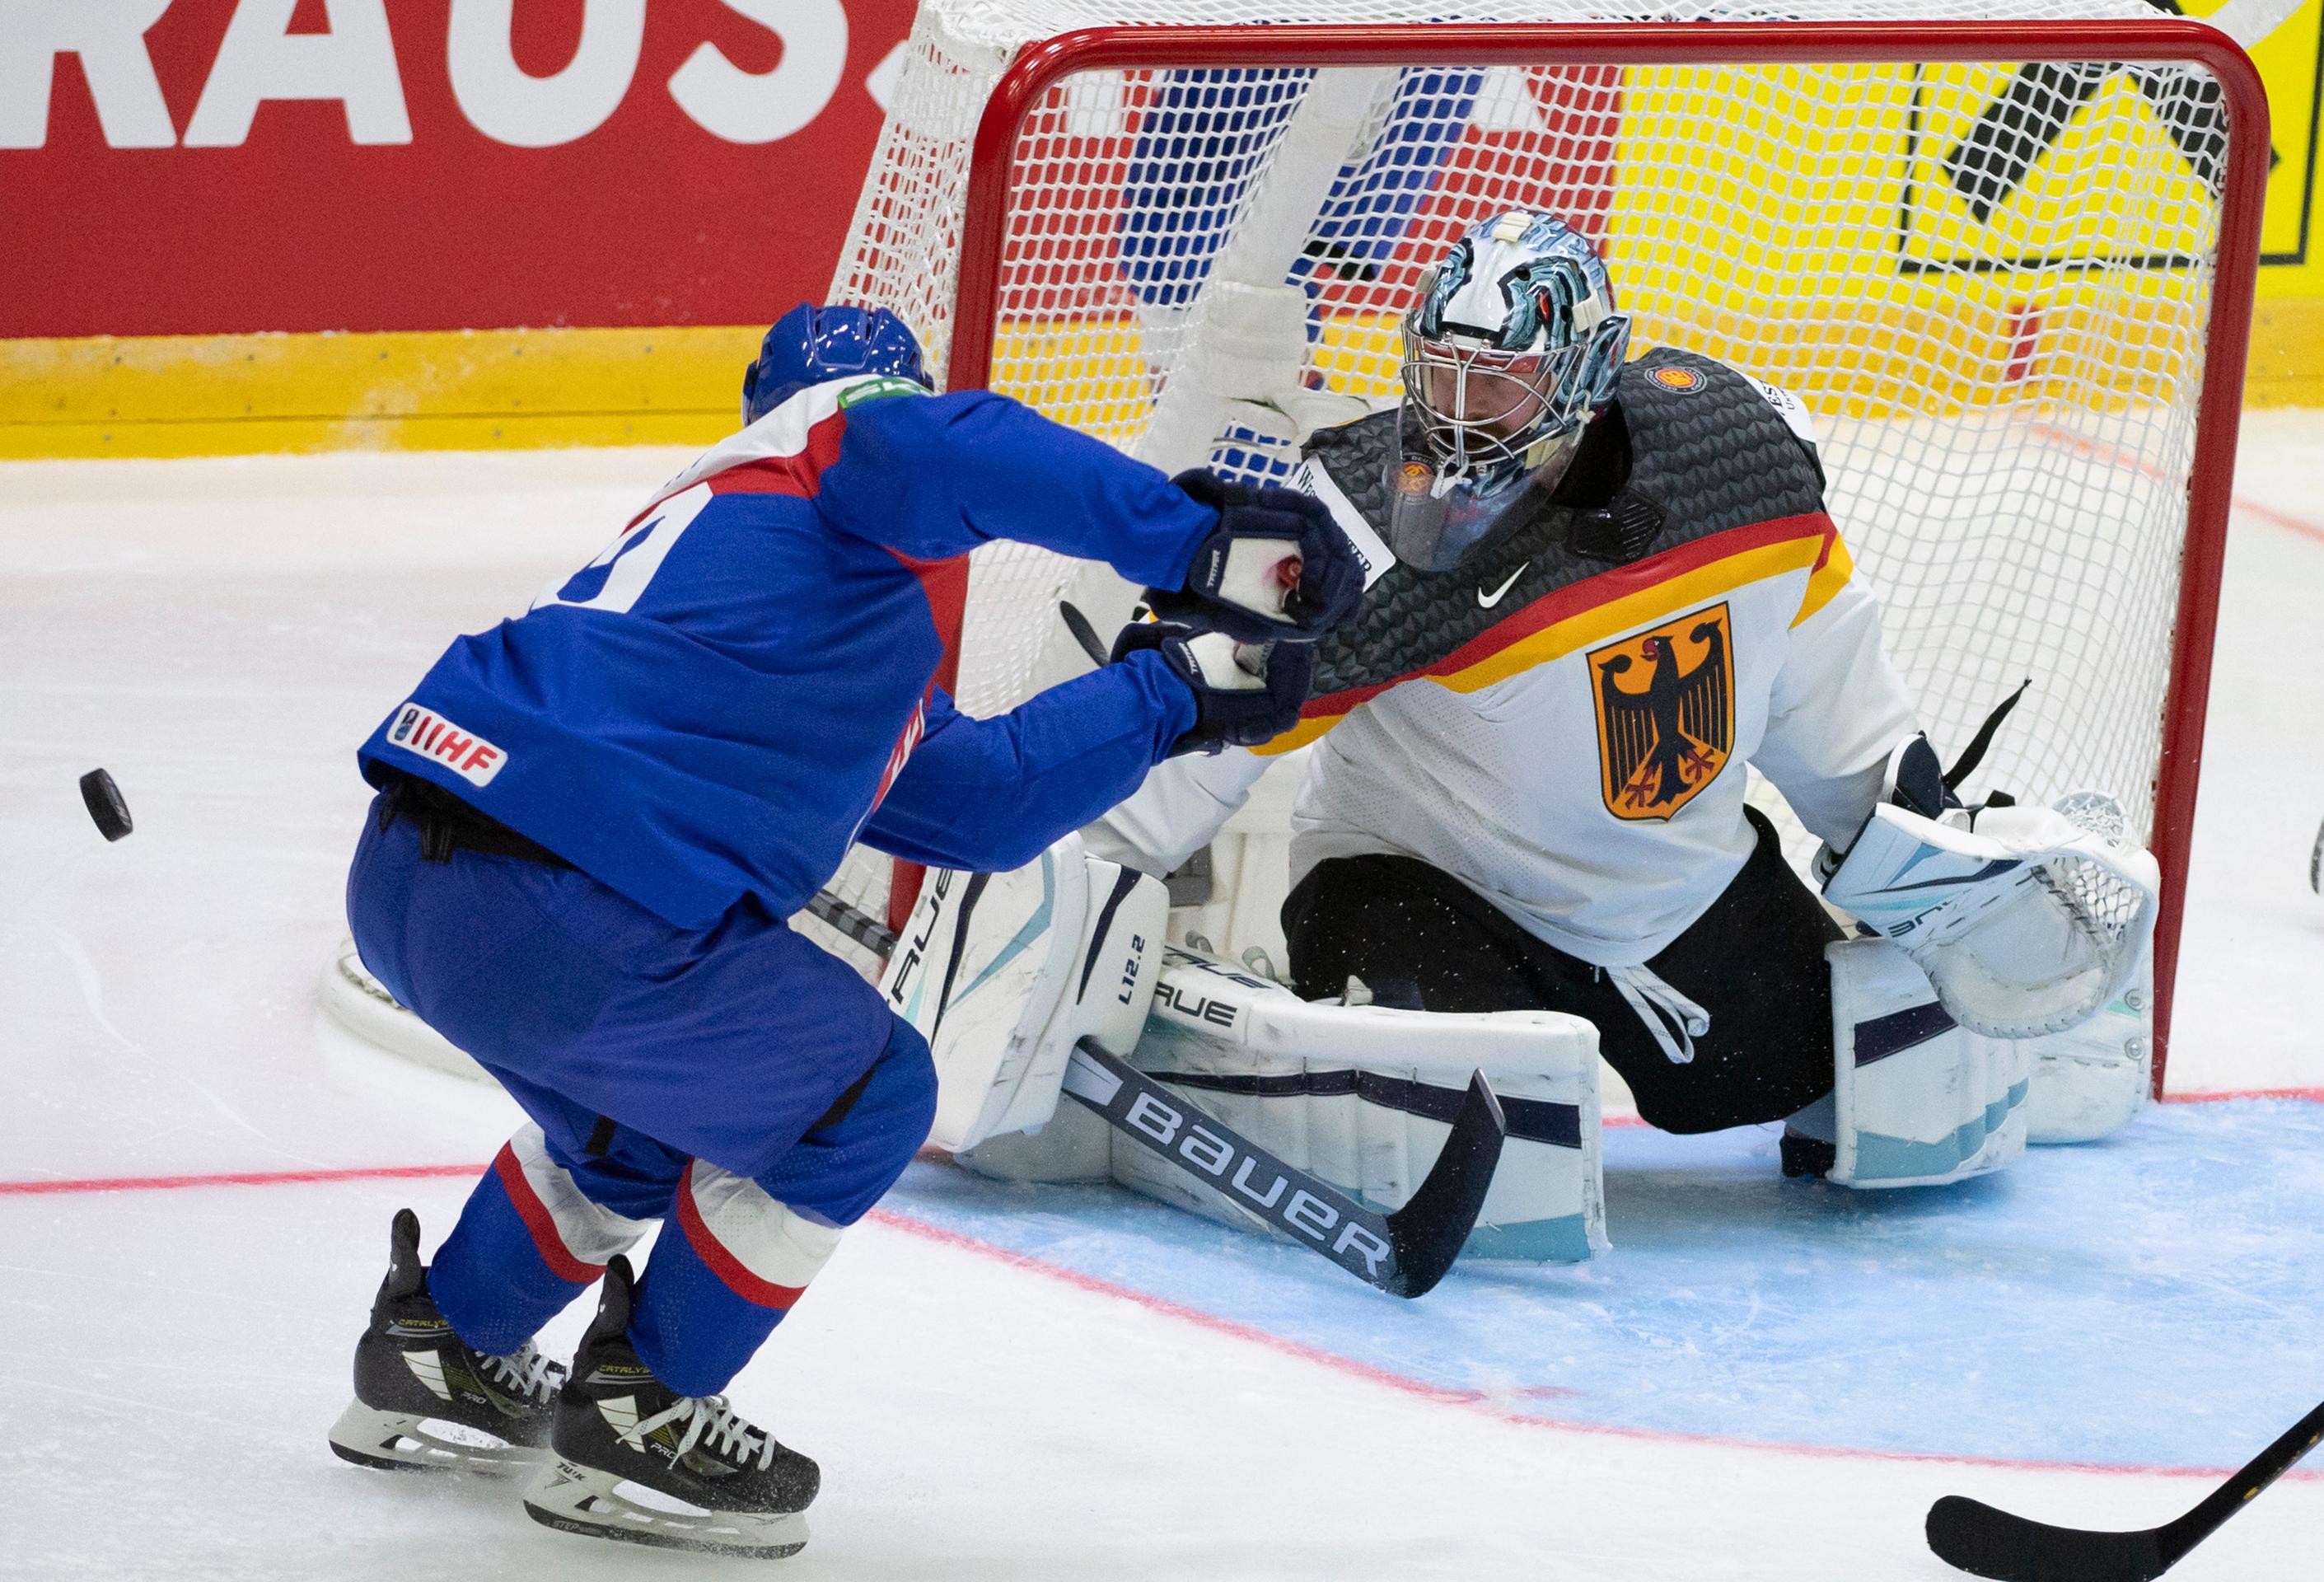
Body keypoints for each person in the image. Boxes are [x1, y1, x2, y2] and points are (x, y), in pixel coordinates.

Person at [325, 302, 1362, 1556]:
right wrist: (1203, 539)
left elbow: (970, 801)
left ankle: (442, 1345)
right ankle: (645, 1413)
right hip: (575, 897)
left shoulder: (763, 584)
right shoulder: (832, 443)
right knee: (863, 1098)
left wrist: (1174, 692)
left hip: (415, 880)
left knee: (636, 1132)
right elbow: (943, 451)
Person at [1087, 210, 2153, 1189]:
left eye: (1494, 386)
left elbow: (1823, 702)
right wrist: (1081, 888)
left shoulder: (1738, 467)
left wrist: (1919, 859)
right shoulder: (1358, 526)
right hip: (1423, 890)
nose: (1456, 419)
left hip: (1673, 900)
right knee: (1472, 1128)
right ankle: (1319, 1016)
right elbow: (1207, 731)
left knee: (1851, 1078)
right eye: (1441, 377)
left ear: (1586, 374)